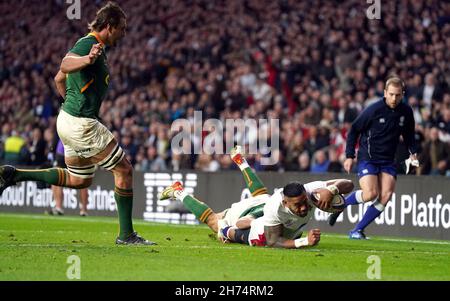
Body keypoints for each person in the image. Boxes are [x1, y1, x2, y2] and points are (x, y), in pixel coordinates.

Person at [0, 2, 154, 245]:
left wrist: (72, 104)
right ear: (110, 26)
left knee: (79, 180)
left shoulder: (97, 49)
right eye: (122, 29)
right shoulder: (89, 44)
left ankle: (14, 176)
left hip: (68, 120)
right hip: (81, 123)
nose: (124, 34)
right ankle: (126, 235)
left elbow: (58, 79)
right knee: (124, 169)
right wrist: (86, 60)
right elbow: (64, 65)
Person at [159, 146, 354, 249]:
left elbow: (350, 184)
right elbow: (270, 240)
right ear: (286, 203)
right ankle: (178, 191)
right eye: (299, 205)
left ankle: (241, 161)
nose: (305, 207)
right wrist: (303, 242)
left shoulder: (310, 191)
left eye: (305, 203)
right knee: (214, 221)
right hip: (252, 215)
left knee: (262, 196)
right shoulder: (274, 211)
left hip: (265, 206)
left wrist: (333, 190)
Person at [328, 76, 419, 239]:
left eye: (398, 95)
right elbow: (354, 129)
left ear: (403, 94)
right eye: (391, 94)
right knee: (370, 193)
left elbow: (409, 135)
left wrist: (413, 153)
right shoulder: (373, 110)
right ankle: (340, 205)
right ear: (385, 93)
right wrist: (349, 156)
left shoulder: (406, 111)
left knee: (386, 195)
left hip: (388, 160)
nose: (394, 98)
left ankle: (357, 230)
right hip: (368, 157)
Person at [48, 139, 89, 216]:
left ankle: (59, 207)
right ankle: (83, 210)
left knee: (57, 180)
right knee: (83, 181)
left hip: (66, 152)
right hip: (73, 153)